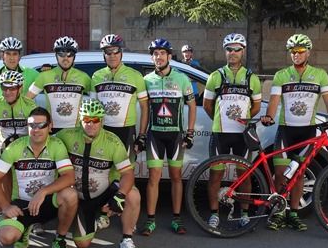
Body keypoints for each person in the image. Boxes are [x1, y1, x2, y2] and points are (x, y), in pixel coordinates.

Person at [261, 34, 328, 232]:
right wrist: (269, 116)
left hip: (307, 131)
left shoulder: (320, 74)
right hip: (286, 131)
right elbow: (275, 101)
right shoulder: (281, 75)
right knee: (280, 174)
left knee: (300, 174)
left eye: (300, 51)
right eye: (293, 52)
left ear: (308, 52)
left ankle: (293, 214)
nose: (296, 55)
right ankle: (278, 213)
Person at [0, 107, 78, 248]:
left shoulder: (57, 144)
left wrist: (43, 192)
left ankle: (60, 239)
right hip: (22, 206)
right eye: (32, 125)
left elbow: (69, 177)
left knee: (71, 195)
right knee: (5, 238)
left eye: (41, 125)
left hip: (47, 202)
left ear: (50, 126)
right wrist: (5, 207)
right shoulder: (15, 147)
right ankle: (24, 229)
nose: (36, 130)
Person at [56, 99, 141, 248]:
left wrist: (120, 195)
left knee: (132, 194)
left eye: (95, 120)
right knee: (82, 244)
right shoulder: (66, 135)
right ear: (80, 119)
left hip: (102, 194)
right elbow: (46, 142)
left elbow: (128, 174)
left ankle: (127, 239)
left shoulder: (112, 142)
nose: (90, 124)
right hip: (79, 198)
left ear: (101, 120)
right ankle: (97, 218)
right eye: (86, 119)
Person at [202, 33, 262, 230]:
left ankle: (244, 213)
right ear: (225, 51)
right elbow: (207, 105)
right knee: (215, 176)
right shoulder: (215, 76)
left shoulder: (251, 78)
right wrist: (220, 121)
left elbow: (256, 107)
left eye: (237, 49)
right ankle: (213, 215)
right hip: (221, 133)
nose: (233, 53)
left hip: (241, 135)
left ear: (243, 51)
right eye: (229, 49)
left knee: (243, 175)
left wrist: (241, 120)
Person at [140, 38, 197, 235]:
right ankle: (150, 220)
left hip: (176, 136)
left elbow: (191, 106)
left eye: (162, 53)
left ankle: (176, 218)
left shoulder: (181, 78)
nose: (158, 57)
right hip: (155, 135)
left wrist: (190, 133)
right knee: (153, 177)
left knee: (176, 177)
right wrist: (141, 135)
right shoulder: (147, 80)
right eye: (155, 54)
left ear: (169, 56)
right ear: (152, 57)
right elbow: (145, 110)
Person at [0, 70, 39, 227]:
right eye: (4, 88)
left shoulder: (30, 106)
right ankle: (1, 214)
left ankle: (34, 218)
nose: (8, 92)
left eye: (12, 88)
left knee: (28, 184)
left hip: (26, 150)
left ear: (20, 88)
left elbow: (36, 135)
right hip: (5, 150)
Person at [91, 33, 149, 158]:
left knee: (127, 172)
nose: (112, 56)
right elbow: (92, 109)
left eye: (116, 51)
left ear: (121, 53)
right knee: (104, 172)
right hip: (103, 130)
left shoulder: (135, 75)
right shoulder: (96, 76)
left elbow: (145, 107)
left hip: (126, 131)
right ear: (104, 55)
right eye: (108, 52)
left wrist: (142, 135)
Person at [26, 36, 92, 133]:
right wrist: (39, 117)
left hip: (76, 130)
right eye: (61, 54)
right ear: (56, 55)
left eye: (70, 54)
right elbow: (26, 100)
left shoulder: (83, 77)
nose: (65, 58)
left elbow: (97, 99)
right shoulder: (44, 76)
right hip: (52, 130)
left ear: (74, 56)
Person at [0, 37, 39, 102]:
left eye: (15, 54)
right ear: (2, 56)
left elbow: (45, 80)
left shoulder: (31, 73)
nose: (11, 58)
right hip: (0, 111)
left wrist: (47, 70)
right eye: (8, 54)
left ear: (19, 56)